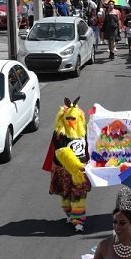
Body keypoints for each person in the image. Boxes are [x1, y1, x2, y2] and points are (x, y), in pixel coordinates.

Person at [46, 98, 92, 232]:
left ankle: (78, 221)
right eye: (68, 118)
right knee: (65, 197)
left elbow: (91, 146)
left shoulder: (84, 131)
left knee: (79, 196)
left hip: (80, 172)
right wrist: (76, 165)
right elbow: (61, 151)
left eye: (73, 118)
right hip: (64, 170)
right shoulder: (59, 134)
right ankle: (70, 214)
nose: (71, 121)